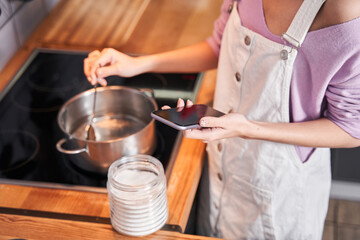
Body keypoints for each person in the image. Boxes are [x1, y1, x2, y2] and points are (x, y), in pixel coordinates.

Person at [84, 0, 360, 239]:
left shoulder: (343, 14)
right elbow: (218, 45)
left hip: (278, 188)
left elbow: (349, 128)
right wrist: (136, 64)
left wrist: (249, 129)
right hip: (222, 164)